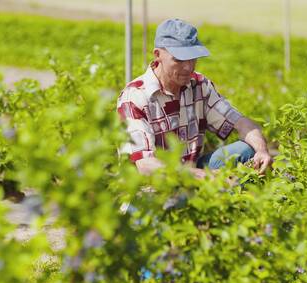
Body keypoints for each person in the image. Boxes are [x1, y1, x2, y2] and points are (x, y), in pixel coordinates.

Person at [117, 18, 273, 178]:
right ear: (158, 55)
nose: (188, 67)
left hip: (191, 173)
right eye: (179, 59)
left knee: (248, 149)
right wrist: (207, 177)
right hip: (153, 188)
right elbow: (145, 165)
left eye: (192, 58)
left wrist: (262, 150)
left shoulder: (199, 85)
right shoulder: (135, 97)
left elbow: (240, 122)